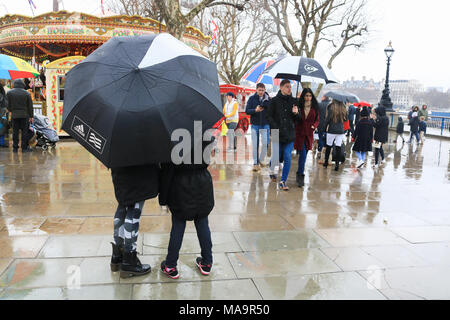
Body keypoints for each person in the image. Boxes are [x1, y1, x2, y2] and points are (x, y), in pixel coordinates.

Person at [159, 137, 215, 279]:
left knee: (178, 226)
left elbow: (167, 172)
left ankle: (170, 265)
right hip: (202, 183)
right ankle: (207, 262)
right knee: (202, 223)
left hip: (180, 186)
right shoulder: (205, 135)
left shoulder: (173, 140)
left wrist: (163, 199)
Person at [110, 164, 160, 278]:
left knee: (122, 206)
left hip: (120, 171)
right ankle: (129, 259)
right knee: (134, 212)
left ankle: (117, 255)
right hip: (138, 174)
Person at [266, 79, 301, 191]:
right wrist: (275, 127)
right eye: (287, 86)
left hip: (289, 133)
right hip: (277, 133)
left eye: (290, 87)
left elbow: (298, 119)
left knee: (287, 156)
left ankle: (283, 181)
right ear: (281, 88)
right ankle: (272, 169)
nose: (289, 89)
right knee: (276, 157)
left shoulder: (294, 101)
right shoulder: (274, 101)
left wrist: (296, 113)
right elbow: (269, 116)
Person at [294, 88, 319, 187]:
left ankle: (299, 173)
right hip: (299, 133)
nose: (308, 98)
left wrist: (314, 126)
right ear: (303, 96)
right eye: (306, 96)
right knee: (303, 155)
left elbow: (317, 119)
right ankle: (301, 174)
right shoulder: (299, 106)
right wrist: (295, 113)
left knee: (303, 155)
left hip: (309, 134)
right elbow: (295, 119)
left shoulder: (315, 107)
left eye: (310, 96)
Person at [245, 83, 271, 172]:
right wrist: (255, 110)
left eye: (262, 90)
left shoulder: (268, 99)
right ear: (256, 90)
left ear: (265, 90)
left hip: (265, 124)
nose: (261, 92)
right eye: (259, 90)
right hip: (255, 124)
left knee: (265, 143)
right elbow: (247, 111)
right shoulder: (252, 99)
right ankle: (255, 164)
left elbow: (272, 111)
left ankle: (261, 159)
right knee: (255, 145)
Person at [6, 79, 34, 152]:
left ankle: (15, 148)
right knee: (24, 132)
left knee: (15, 132)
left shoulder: (9, 93)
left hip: (14, 115)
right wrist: (31, 116)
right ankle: (24, 148)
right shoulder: (27, 93)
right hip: (25, 116)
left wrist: (11, 110)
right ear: (23, 84)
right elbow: (30, 106)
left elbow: (7, 105)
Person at [323, 99, 347, 171]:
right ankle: (337, 164)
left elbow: (327, 119)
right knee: (338, 147)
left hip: (331, 129)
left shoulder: (331, 107)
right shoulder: (344, 108)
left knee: (328, 146)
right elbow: (346, 119)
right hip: (340, 130)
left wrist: (324, 128)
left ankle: (326, 162)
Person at [317, 95, 331, 163]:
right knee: (327, 139)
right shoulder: (330, 105)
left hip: (320, 124)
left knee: (320, 137)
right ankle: (326, 151)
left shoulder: (320, 104)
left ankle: (321, 151)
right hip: (329, 125)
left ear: (324, 98)